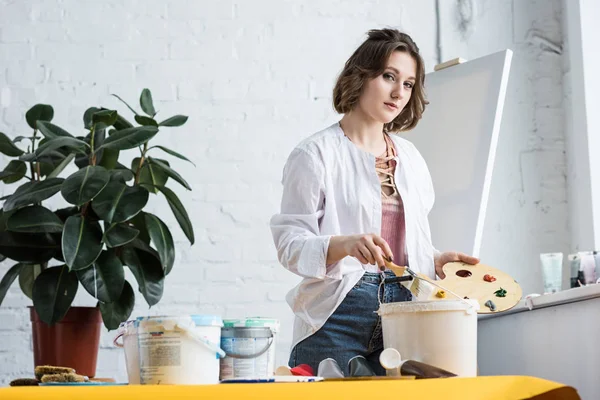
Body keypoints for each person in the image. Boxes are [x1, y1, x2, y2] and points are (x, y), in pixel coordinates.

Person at [270, 28, 479, 376]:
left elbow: (405, 242)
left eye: (409, 84)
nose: (399, 92)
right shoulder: (315, 154)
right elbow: (290, 245)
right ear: (361, 75)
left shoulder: (411, 159)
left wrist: (436, 259)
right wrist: (345, 244)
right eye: (389, 76)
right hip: (337, 315)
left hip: (408, 314)